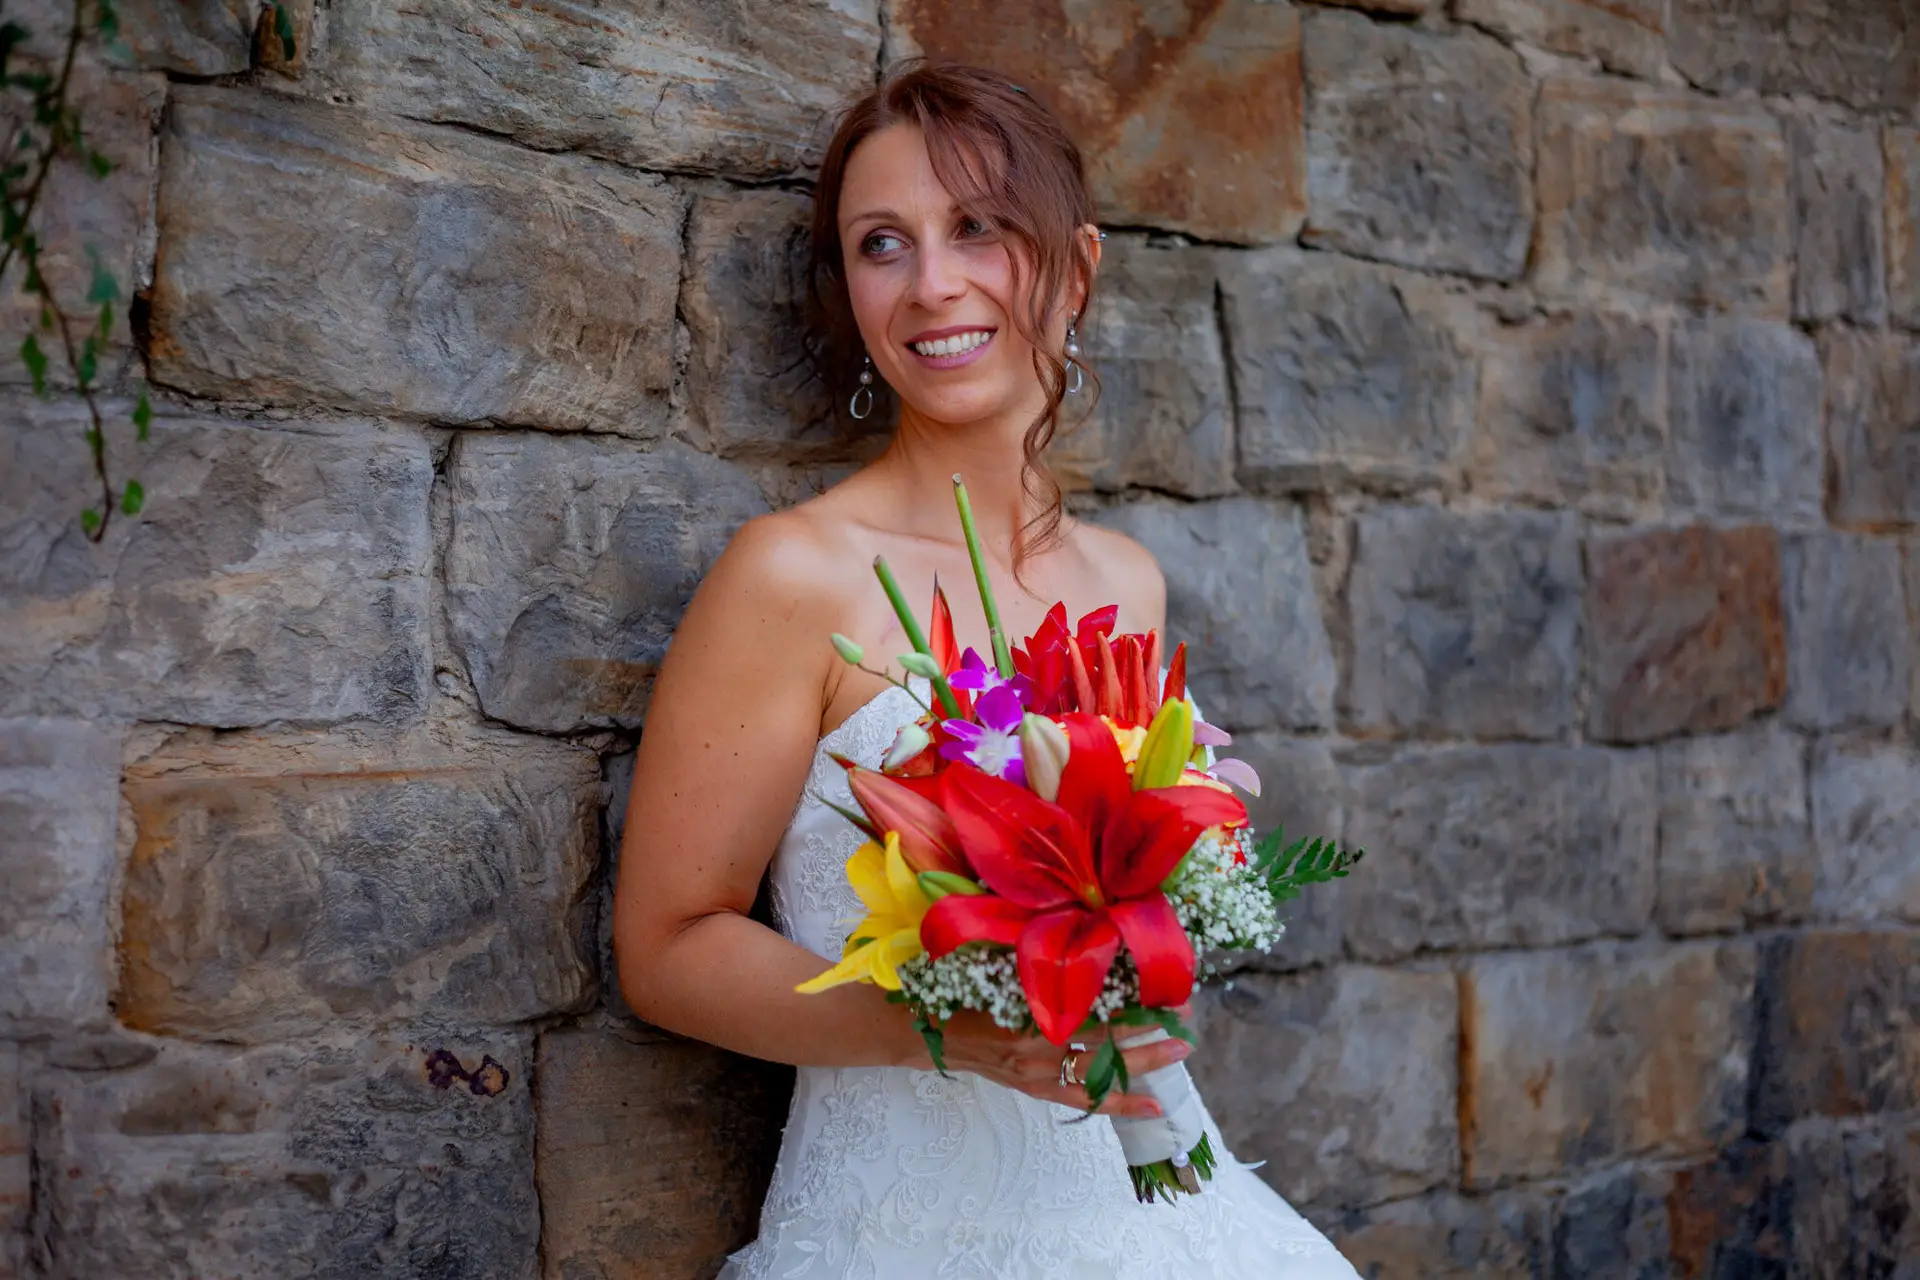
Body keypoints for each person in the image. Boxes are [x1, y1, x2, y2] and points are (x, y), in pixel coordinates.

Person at [612, 60, 1360, 1278]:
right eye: (881, 244)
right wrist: (941, 1031)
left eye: (978, 229)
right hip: (903, 1227)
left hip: (1163, 1211)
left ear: (1075, 266)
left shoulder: (1125, 583)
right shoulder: (796, 578)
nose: (932, 284)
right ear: (849, 291)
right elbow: (668, 946)